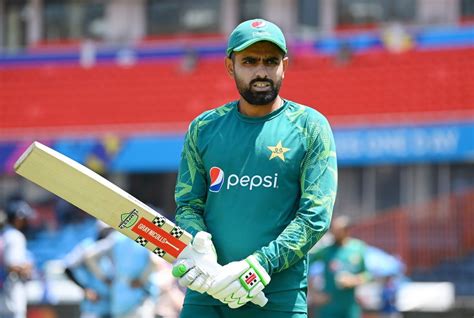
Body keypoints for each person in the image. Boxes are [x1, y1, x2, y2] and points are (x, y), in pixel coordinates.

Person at [172, 18, 338, 318]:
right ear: (230, 66)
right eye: (249, 61)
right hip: (208, 293)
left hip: (276, 298)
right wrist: (199, 246)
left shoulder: (310, 126)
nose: (261, 71)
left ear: (284, 66)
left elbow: (315, 217)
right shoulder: (204, 128)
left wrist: (259, 265)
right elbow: (187, 206)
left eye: (271, 61)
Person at [83, 231, 158, 318]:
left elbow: (90, 255)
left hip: (119, 296)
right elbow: (155, 261)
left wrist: (104, 278)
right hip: (140, 295)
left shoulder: (116, 238)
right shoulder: (144, 237)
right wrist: (142, 280)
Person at [308, 216, 371, 318]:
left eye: (338, 230)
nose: (334, 233)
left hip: (350, 307)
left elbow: (367, 275)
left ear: (347, 230)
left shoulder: (358, 248)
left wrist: (354, 280)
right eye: (333, 229)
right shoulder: (325, 251)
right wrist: (314, 294)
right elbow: (306, 267)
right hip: (328, 307)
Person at [63, 221, 114, 318]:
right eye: (106, 230)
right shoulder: (87, 246)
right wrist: (85, 289)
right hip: (94, 304)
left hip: (112, 304)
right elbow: (68, 268)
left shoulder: (114, 246)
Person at [0, 199, 35, 318]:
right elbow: (12, 266)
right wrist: (27, 268)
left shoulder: (4, 233)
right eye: (25, 218)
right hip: (12, 294)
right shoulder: (15, 236)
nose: (27, 222)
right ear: (18, 219)